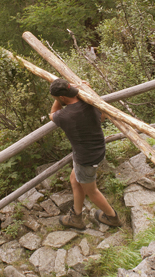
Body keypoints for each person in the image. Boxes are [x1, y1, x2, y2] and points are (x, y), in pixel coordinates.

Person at [49, 78, 122, 229]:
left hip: (86, 158)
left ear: (62, 98)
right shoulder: (90, 102)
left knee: (92, 191)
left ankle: (112, 218)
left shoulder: (65, 116)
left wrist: (58, 99)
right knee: (75, 179)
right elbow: (102, 117)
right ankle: (76, 216)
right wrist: (78, 89)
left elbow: (53, 113)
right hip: (96, 149)